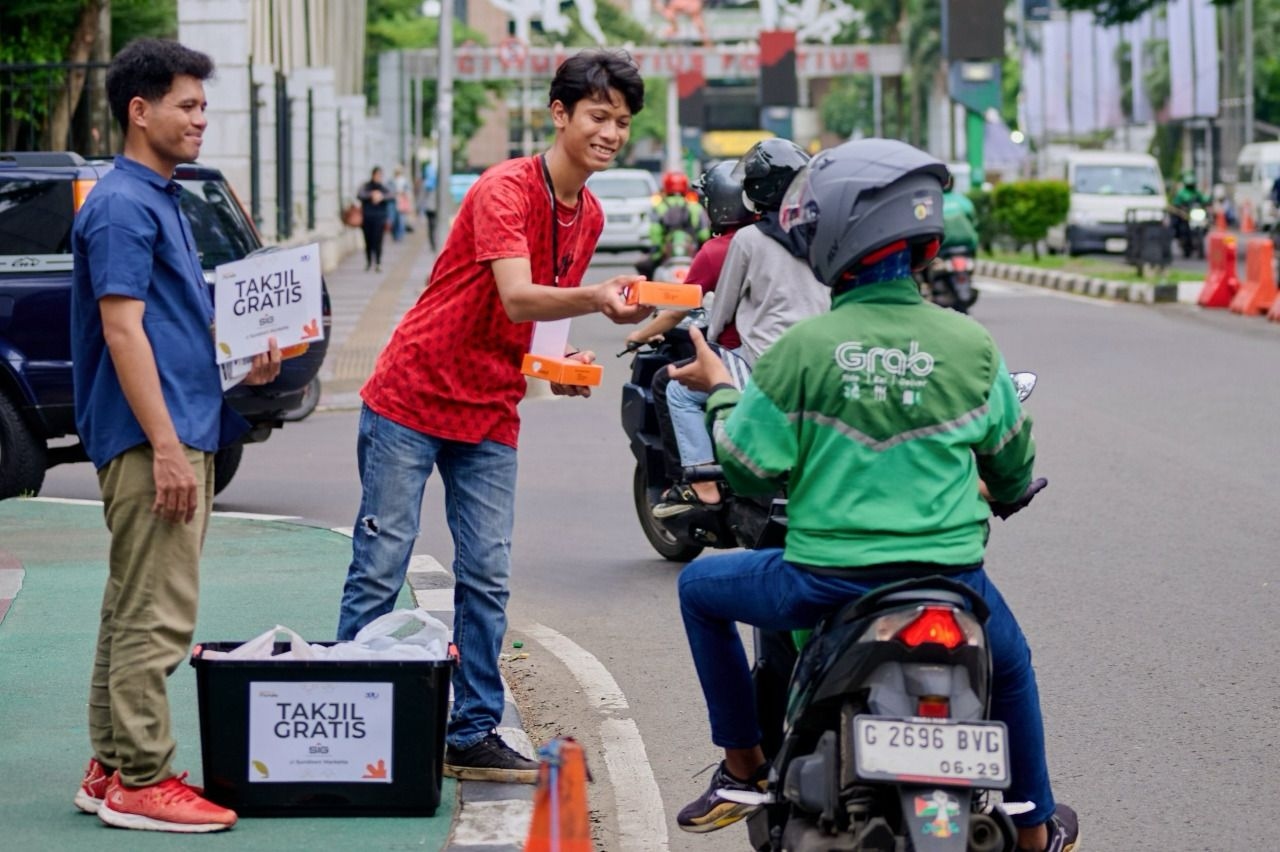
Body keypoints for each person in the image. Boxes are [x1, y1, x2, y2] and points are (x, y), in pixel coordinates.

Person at [665, 138, 1078, 852]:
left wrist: (722, 393)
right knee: (1010, 666)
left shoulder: (804, 349)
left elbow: (747, 468)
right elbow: (1012, 468)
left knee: (700, 588)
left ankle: (743, 765)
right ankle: (1035, 826)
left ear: (832, 238)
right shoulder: (972, 345)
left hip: (823, 584)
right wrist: (996, 488)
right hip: (954, 583)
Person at [335, 49, 649, 785]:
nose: (611, 133)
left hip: (490, 408)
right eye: (599, 117)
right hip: (412, 393)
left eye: (623, 123)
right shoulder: (505, 188)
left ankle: (471, 729)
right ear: (560, 113)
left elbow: (538, 321)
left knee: (488, 572)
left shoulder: (591, 213)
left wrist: (559, 362)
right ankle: (352, 715)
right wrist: (599, 299)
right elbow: (516, 294)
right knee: (381, 565)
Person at [69, 37, 282, 834]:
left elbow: (169, 328)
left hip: (173, 423)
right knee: (157, 612)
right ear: (140, 110)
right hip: (150, 435)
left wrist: (241, 368)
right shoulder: (126, 205)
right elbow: (123, 332)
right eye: (187, 105)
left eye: (202, 104)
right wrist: (164, 445)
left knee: (130, 606)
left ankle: (111, 763)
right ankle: (142, 777)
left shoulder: (158, 196)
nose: (200, 119)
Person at [653, 138, 826, 517]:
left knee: (679, 390)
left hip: (764, 365)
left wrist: (710, 344)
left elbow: (721, 313)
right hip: (820, 364)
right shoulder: (821, 236)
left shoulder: (747, 240)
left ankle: (704, 485)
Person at [636, 170, 710, 279]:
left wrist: (657, 252)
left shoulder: (659, 207)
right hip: (693, 255)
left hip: (665, 255)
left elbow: (655, 233)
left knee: (643, 268)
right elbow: (704, 235)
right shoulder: (695, 207)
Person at [358, 166, 393, 271]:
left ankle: (378, 262)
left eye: (380, 175)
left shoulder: (383, 187)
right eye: (377, 175)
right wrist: (371, 195)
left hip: (379, 218)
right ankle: (369, 261)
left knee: (378, 240)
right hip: (367, 217)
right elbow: (360, 194)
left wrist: (381, 196)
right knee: (368, 241)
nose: (379, 177)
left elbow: (391, 196)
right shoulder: (366, 186)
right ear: (373, 175)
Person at [390, 164, 413, 242]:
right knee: (394, 220)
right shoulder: (391, 181)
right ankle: (395, 235)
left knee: (401, 220)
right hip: (393, 202)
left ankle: (400, 236)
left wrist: (403, 193)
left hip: (402, 202)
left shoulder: (404, 181)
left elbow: (408, 191)